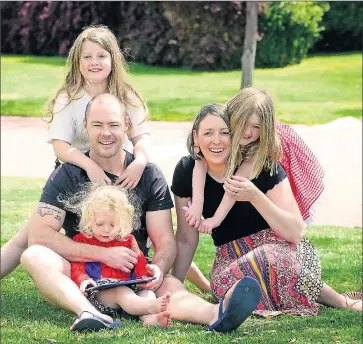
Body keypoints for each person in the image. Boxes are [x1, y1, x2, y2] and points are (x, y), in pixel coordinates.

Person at [13, 93, 261, 333]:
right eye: (97, 125)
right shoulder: (67, 174)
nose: (106, 132)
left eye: (113, 124)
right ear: (86, 127)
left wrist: (158, 269)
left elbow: (165, 242)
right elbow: (39, 236)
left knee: (170, 285)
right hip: (84, 280)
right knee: (34, 255)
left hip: (134, 278)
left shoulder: (149, 175)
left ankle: (217, 313)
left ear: (127, 126)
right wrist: (103, 254)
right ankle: (89, 313)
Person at [171, 89, 362, 317]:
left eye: (257, 127)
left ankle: (342, 302)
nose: (249, 133)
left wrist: (256, 196)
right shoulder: (189, 170)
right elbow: (184, 239)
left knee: (273, 260)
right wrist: (176, 287)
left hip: (281, 249)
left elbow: (295, 232)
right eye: (243, 124)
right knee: (225, 282)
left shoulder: (263, 165)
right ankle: (264, 300)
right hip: (232, 257)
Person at [64, 183, 172, 329]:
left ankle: (150, 319)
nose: (106, 230)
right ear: (89, 221)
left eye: (112, 225)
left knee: (146, 292)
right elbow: (77, 266)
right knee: (120, 292)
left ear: (122, 223)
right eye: (100, 224)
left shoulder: (127, 240)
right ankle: (150, 307)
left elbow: (139, 261)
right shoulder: (82, 240)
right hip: (100, 294)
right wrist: (83, 280)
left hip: (128, 289)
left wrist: (144, 276)